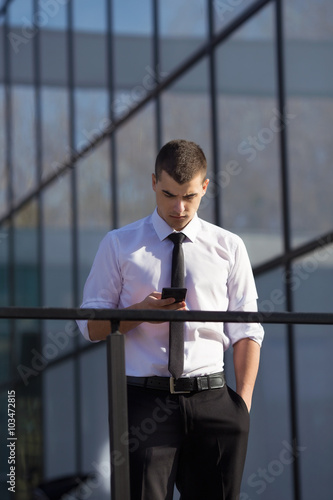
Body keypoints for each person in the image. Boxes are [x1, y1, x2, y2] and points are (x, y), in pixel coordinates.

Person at [77, 139, 264, 500]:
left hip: (214, 401)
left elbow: (246, 330)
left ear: (205, 187)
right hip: (145, 402)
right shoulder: (119, 245)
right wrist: (137, 315)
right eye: (168, 194)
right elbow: (89, 326)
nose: (179, 207)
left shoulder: (229, 247)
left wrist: (242, 406)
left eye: (190, 196)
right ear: (152, 182)